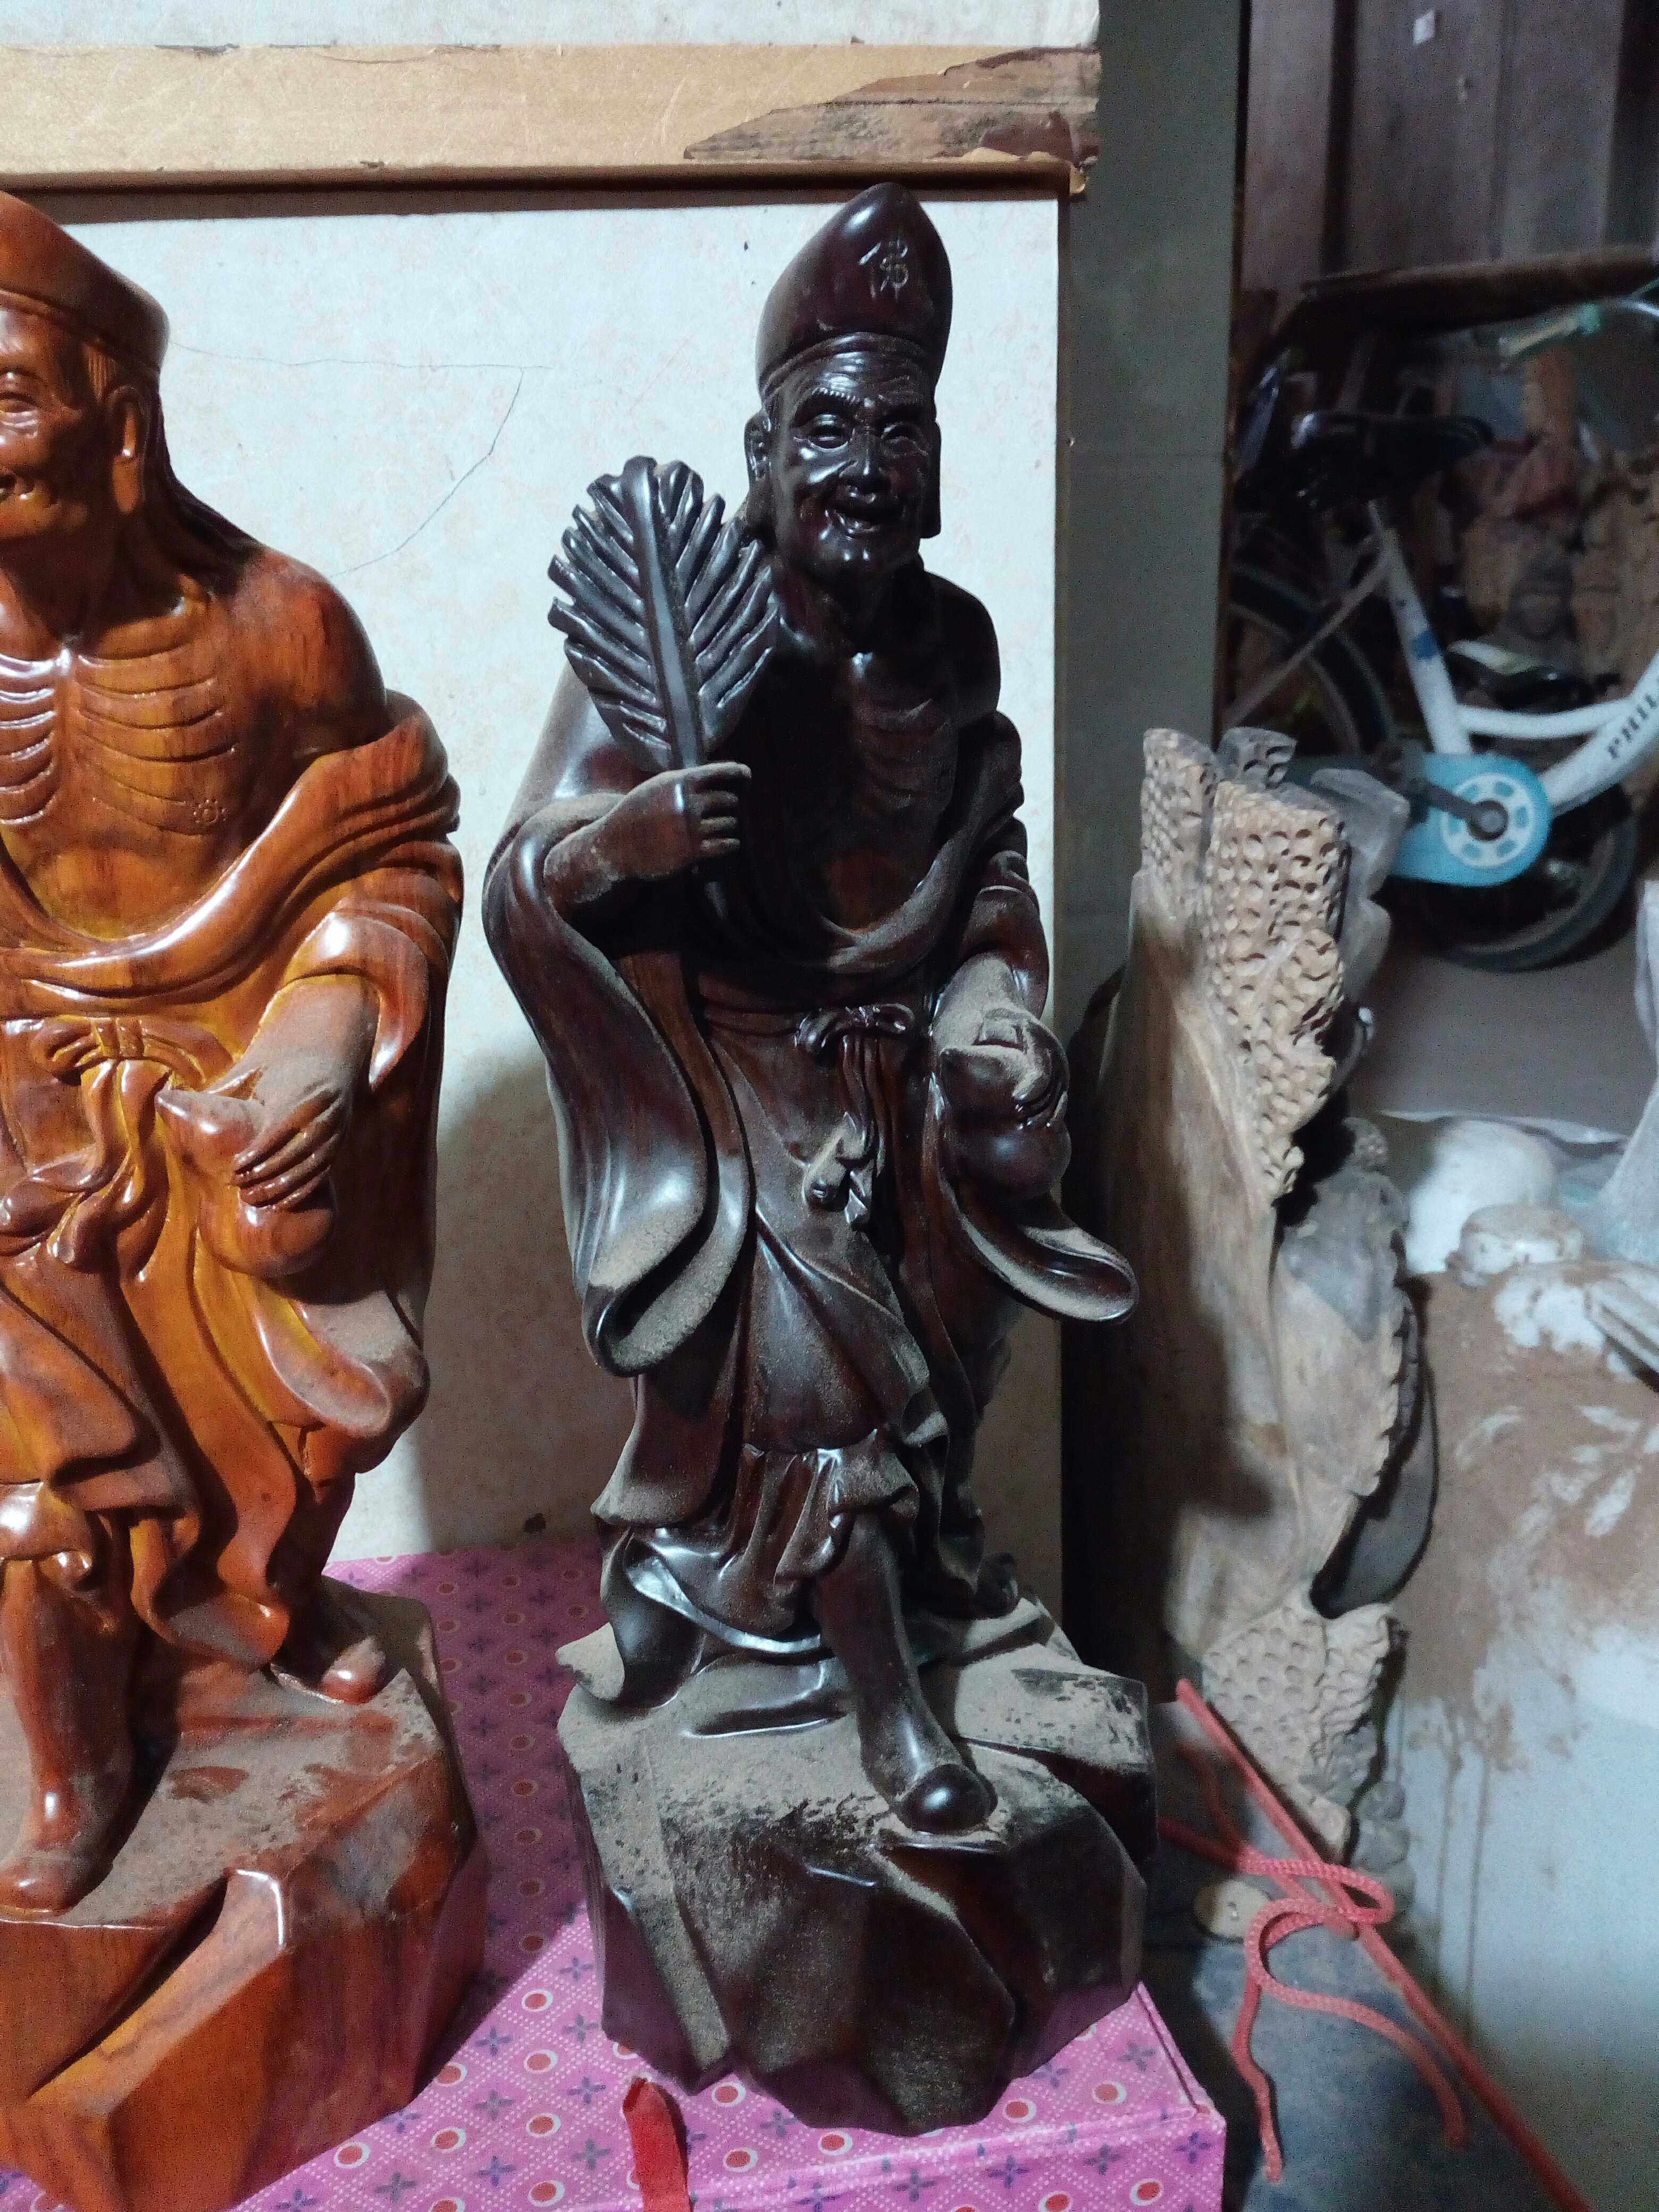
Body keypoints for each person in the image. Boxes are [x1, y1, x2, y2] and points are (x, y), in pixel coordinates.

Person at [488, 186, 1130, 1836]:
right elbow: (526, 872)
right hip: (736, 1084)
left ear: (936, 460)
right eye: (826, 427)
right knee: (824, 1388)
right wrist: (620, 846)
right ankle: (889, 1716)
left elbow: (989, 869)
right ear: (763, 454)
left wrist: (996, 1004)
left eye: (897, 429)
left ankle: (803, 1600)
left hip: (910, 1078)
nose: (862, 465)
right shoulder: (684, 645)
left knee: (940, 1378)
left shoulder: (954, 648)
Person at [0, 194, 460, 1909]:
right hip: (24, 1093)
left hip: (240, 1063)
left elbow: (392, 847)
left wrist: (326, 1040)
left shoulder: (278, 626)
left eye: (8, 395)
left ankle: (262, 1611)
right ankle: (78, 1767)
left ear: (121, 429)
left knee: (312, 1337)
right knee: (38, 1469)